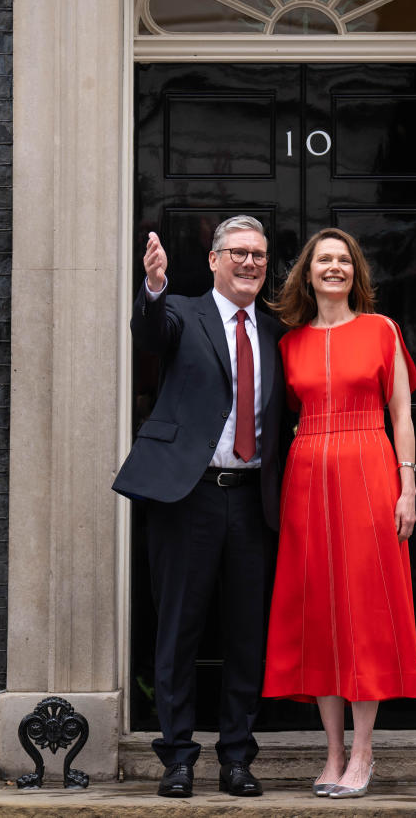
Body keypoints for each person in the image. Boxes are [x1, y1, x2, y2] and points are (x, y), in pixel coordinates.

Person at [113, 216, 283, 799]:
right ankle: (178, 757)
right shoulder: (184, 311)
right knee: (179, 630)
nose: (249, 263)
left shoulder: (276, 328)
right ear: (213, 260)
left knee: (245, 637)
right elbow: (150, 332)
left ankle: (237, 757)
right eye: (238, 252)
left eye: (259, 254)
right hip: (189, 498)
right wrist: (155, 285)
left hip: (254, 502)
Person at [262, 227, 416, 799]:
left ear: (356, 271)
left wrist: (407, 487)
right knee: (320, 613)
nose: (334, 268)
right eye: (323, 260)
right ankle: (331, 753)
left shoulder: (382, 330)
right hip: (307, 474)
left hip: (370, 466)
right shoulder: (288, 344)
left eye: (343, 260)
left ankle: (362, 751)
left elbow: (402, 415)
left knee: (364, 612)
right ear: (307, 273)